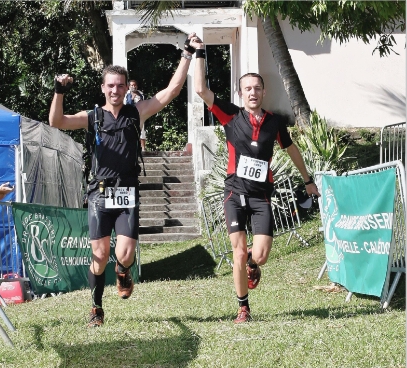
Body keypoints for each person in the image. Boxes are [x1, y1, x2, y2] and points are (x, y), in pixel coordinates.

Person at [49, 32, 199, 328]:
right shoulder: (92, 117)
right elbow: (57, 121)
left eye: (120, 85)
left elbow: (171, 91)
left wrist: (187, 54)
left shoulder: (135, 113)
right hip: (99, 193)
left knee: (125, 253)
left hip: (127, 191)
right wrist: (58, 91)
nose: (115, 90)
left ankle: (122, 270)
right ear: (103, 88)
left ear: (126, 88)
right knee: (99, 253)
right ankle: (96, 307)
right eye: (110, 86)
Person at [193, 38, 320, 324]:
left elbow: (291, 149)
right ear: (240, 93)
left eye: (257, 88)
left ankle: (251, 263)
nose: (253, 92)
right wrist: (199, 52)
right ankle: (243, 308)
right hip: (234, 194)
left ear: (263, 92)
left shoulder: (274, 122)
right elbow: (201, 89)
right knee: (238, 252)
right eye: (247, 88)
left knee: (259, 255)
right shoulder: (230, 115)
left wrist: (308, 179)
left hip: (261, 195)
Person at [124, 80, 147, 151]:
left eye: (135, 85)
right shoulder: (127, 94)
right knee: (131, 131)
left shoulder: (140, 94)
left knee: (142, 131)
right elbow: (127, 105)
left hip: (140, 115)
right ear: (129, 86)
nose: (133, 87)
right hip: (130, 116)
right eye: (132, 85)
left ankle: (143, 148)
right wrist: (132, 99)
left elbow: (144, 103)